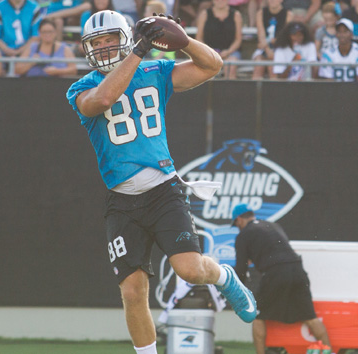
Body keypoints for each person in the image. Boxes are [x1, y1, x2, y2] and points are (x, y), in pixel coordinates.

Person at [66, 10, 256, 354]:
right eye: (97, 42)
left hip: (163, 191)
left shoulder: (155, 70)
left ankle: (225, 277)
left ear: (125, 38)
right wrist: (139, 50)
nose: (104, 47)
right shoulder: (81, 87)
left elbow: (213, 65)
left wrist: (184, 42)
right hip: (121, 200)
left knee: (192, 271)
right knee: (132, 292)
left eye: (110, 38)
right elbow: (103, 99)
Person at [231, 203, 330, 354]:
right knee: (311, 318)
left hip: (275, 273)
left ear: (239, 220)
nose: (237, 227)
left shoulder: (243, 235)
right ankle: (329, 351)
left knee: (257, 317)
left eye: (236, 224)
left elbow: (241, 270)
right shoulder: (273, 225)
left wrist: (236, 292)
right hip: (298, 270)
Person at [195, 0, 243, 79]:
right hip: (209, 52)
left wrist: (228, 51)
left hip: (230, 52)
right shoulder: (204, 14)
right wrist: (210, 52)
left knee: (230, 66)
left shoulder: (236, 15)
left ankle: (228, 90)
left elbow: (238, 39)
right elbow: (199, 38)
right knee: (207, 67)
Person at [252, 0, 293, 79]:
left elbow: (285, 35)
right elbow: (261, 35)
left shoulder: (288, 14)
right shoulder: (261, 13)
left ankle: (274, 89)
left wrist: (272, 43)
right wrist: (267, 50)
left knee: (272, 67)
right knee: (258, 65)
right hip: (265, 47)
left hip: (281, 47)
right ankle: (255, 88)